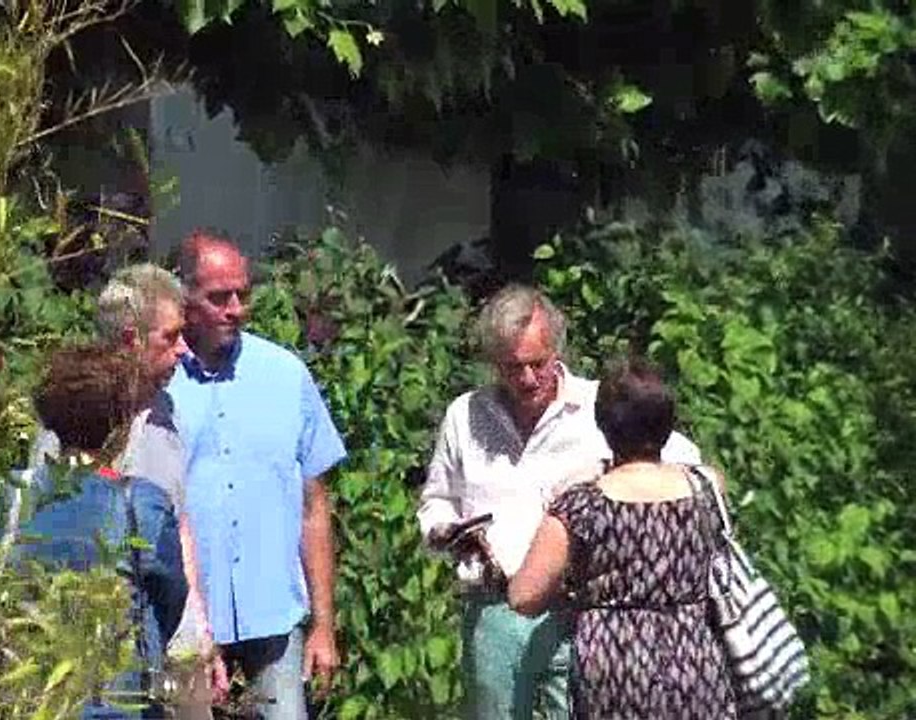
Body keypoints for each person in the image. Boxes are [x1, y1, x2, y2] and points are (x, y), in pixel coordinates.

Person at [417, 284, 702, 720]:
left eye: (538, 364)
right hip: (494, 606)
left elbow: (683, 462)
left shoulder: (598, 407)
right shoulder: (466, 415)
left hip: (578, 611)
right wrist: (446, 532)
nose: (528, 379)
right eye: (513, 367)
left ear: (557, 351)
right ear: (494, 363)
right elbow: (436, 501)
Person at [24, 264, 221, 716]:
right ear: (132, 339)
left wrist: (199, 631)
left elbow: (180, 526)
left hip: (176, 648)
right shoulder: (71, 421)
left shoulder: (168, 411)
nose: (183, 350)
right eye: (171, 337)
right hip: (95, 657)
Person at [166, 232, 346, 720]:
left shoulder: (285, 375)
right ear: (184, 299)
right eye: (218, 297)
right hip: (184, 620)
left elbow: (313, 506)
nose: (236, 309)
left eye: (242, 294)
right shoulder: (159, 382)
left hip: (272, 615)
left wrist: (324, 626)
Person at [508, 357, 737, 718]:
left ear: (603, 425)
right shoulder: (707, 487)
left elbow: (523, 596)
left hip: (613, 669)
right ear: (668, 423)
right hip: (695, 658)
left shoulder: (582, 504)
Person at [11, 345, 189, 718]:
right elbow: (170, 596)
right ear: (120, 426)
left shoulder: (16, 493)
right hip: (119, 698)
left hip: (31, 694)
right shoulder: (140, 503)